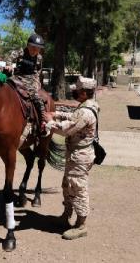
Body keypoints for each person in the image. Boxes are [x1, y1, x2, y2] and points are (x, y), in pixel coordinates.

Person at [44, 76, 99, 240]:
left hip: (80, 157)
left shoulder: (86, 112)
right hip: (75, 155)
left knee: (78, 188)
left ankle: (81, 225)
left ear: (84, 92)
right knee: (68, 185)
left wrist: (50, 122)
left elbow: (67, 130)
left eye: (77, 90)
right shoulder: (87, 106)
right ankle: (66, 215)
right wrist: (57, 113)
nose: (74, 92)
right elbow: (73, 116)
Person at [5, 33, 47, 135]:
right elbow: (9, 58)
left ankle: (43, 121)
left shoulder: (39, 57)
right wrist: (9, 65)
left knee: (36, 98)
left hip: (30, 79)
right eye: (33, 47)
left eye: (38, 48)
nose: (35, 50)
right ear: (28, 45)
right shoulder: (20, 52)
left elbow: (38, 70)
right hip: (17, 76)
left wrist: (37, 81)